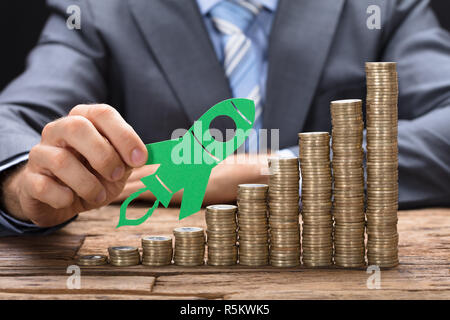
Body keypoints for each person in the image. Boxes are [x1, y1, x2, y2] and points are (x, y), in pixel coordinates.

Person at [0, 0, 449, 236]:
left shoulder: (384, 7)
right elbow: (12, 122)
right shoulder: (99, 9)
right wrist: (25, 188)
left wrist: (266, 171)